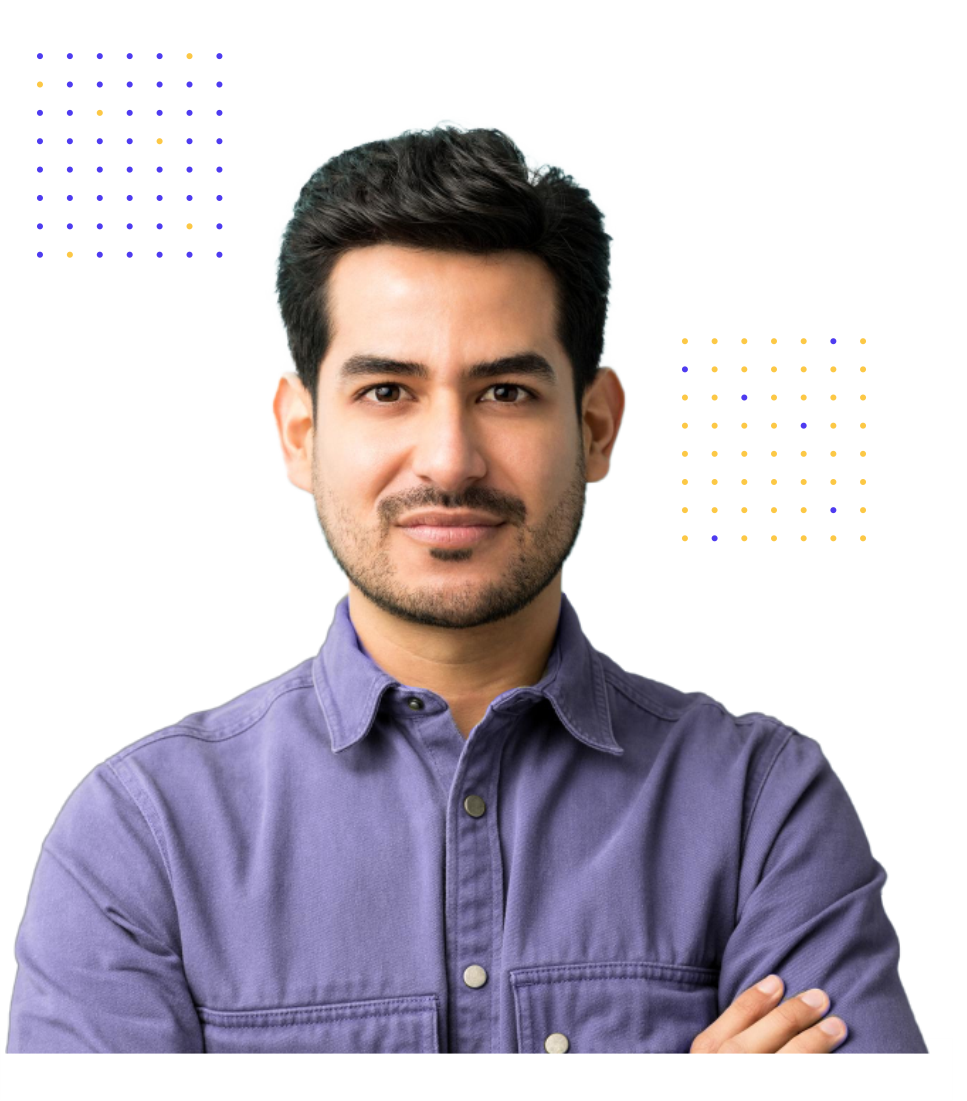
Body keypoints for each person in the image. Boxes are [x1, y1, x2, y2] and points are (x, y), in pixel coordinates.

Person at [6, 118, 926, 1054]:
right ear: (298, 431)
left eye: (504, 393)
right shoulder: (139, 841)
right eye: (386, 391)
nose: (449, 459)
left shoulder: (761, 806)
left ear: (598, 424)